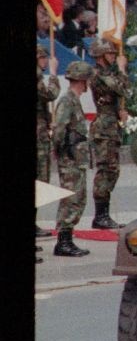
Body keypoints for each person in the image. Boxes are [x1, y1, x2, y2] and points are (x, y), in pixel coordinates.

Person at [51, 62, 95, 256]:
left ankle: (67, 240)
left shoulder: (74, 100)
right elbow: (59, 128)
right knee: (71, 199)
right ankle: (63, 242)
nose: (88, 84)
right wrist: (60, 149)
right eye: (86, 80)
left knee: (78, 198)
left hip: (77, 158)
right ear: (81, 80)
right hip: (70, 158)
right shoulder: (67, 101)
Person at [88, 38, 128, 230]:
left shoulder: (105, 73)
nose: (113, 56)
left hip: (110, 125)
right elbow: (122, 88)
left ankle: (103, 214)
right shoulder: (98, 74)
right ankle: (100, 215)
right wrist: (122, 69)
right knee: (106, 170)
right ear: (101, 55)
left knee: (112, 169)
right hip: (104, 127)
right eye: (110, 53)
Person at [37, 46, 59, 238]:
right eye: (44, 58)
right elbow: (50, 94)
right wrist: (53, 74)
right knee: (40, 179)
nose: (46, 61)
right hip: (38, 136)